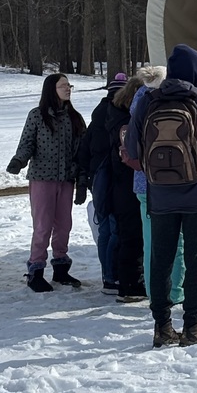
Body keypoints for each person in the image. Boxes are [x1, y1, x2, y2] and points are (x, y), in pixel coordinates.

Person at [125, 45, 197, 348]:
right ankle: (193, 327)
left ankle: (162, 328)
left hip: (161, 195)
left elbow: (132, 149)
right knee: (196, 262)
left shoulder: (147, 100)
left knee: (160, 261)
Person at [7, 73, 86, 292]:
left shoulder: (75, 118)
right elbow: (26, 144)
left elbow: (81, 154)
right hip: (42, 178)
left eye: (69, 85)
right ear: (51, 89)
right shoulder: (37, 116)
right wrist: (19, 160)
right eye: (63, 86)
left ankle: (61, 269)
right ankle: (36, 271)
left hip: (66, 180)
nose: (68, 89)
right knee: (42, 226)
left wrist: (81, 183)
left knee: (64, 226)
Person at [129, 66, 186, 307]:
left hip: (144, 182)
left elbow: (131, 149)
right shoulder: (175, 104)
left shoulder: (138, 104)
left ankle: (156, 293)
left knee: (150, 239)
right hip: (175, 180)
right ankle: (176, 290)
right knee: (178, 239)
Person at [76, 73, 127, 293]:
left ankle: (107, 276)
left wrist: (83, 180)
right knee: (116, 228)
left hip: (97, 178)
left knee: (105, 228)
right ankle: (113, 276)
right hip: (114, 177)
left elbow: (84, 150)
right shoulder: (120, 114)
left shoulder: (97, 115)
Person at [106, 76, 146, 302]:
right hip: (129, 182)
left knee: (124, 235)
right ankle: (131, 285)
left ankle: (123, 280)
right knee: (133, 236)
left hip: (119, 183)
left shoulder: (114, 115)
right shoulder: (128, 121)